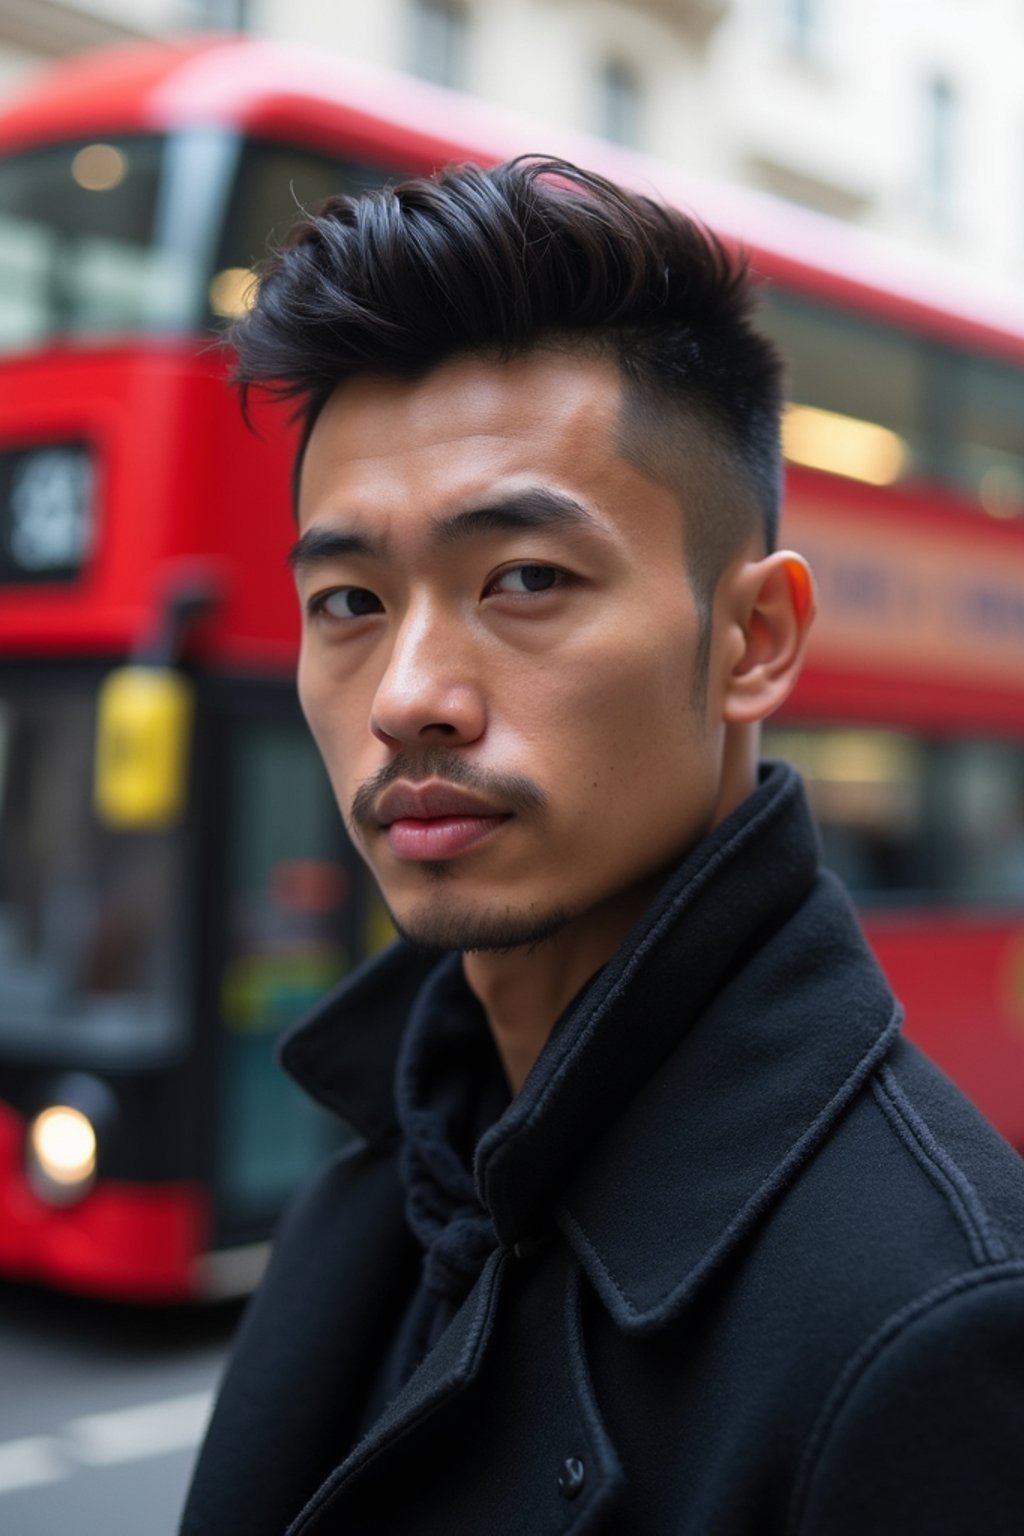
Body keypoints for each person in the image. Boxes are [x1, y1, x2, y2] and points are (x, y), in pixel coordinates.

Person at [180, 158, 1024, 1536]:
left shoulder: (934, 1330)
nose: (405, 697)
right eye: (347, 600)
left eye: (524, 580)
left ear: (753, 641)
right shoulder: (388, 1165)